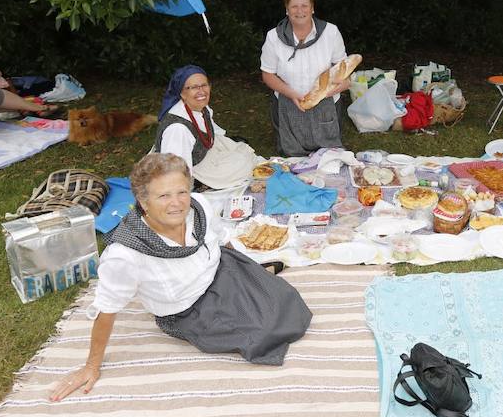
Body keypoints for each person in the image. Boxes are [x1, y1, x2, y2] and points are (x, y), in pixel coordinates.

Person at [49, 154, 312, 402]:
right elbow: (106, 310)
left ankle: (262, 279)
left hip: (222, 270)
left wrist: (250, 271)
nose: (176, 203)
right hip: (189, 310)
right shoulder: (124, 255)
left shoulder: (200, 206)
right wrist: (91, 366)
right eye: (163, 195)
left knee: (286, 299)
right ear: (143, 201)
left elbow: (220, 240)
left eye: (181, 192)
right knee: (263, 334)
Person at [260, 0, 349, 157]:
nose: (299, 11)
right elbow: (267, 74)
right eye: (294, 6)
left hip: (325, 105)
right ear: (286, 9)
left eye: (304, 6)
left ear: (312, 8)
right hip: (288, 103)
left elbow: (343, 70)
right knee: (292, 158)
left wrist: (341, 85)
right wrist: (291, 93)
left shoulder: (330, 33)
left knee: (328, 157)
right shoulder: (273, 37)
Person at [154, 65, 259, 189]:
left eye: (204, 85)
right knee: (242, 165)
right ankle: (200, 183)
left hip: (203, 151)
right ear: (182, 93)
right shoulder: (178, 129)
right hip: (191, 166)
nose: (201, 91)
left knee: (243, 153)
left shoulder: (200, 107)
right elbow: (174, 170)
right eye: (194, 87)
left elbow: (210, 129)